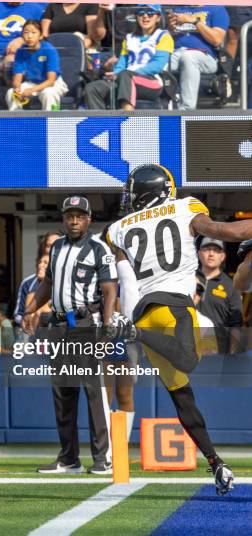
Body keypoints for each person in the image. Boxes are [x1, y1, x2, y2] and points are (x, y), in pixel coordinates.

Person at [105, 163, 252, 495]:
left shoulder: (119, 229)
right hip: (172, 306)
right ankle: (134, 334)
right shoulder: (186, 208)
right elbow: (232, 233)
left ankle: (216, 463)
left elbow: (125, 275)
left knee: (182, 396)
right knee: (189, 361)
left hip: (145, 313)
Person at [23, 196, 118, 475]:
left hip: (87, 323)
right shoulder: (57, 248)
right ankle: (69, 458)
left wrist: (108, 322)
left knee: (93, 390)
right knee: (63, 393)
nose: (74, 221)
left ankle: (103, 458)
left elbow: (110, 289)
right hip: (59, 325)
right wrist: (30, 310)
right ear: (63, 219)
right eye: (69, 216)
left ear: (89, 220)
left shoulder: (99, 248)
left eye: (79, 216)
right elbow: (48, 283)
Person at [84, 5, 174, 110]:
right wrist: (116, 74)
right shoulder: (129, 38)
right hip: (126, 79)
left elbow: (157, 66)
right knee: (93, 88)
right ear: (136, 17)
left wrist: (130, 73)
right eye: (141, 13)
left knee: (126, 75)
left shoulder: (164, 37)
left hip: (152, 82)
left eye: (150, 13)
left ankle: (127, 117)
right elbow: (122, 63)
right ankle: (101, 123)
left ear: (158, 17)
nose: (145, 16)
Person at [167, 5, 229, 110]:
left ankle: (187, 110)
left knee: (188, 57)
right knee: (160, 59)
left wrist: (194, 21)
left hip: (206, 57)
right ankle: (161, 106)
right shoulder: (177, 9)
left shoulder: (216, 9)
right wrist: (170, 29)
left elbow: (217, 40)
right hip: (176, 53)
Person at [6, 19, 68, 111]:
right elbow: (17, 76)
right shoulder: (20, 51)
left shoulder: (49, 50)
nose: (29, 36)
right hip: (32, 83)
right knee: (11, 93)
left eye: (33, 32)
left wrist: (32, 90)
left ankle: (50, 123)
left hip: (53, 84)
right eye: (26, 32)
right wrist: (17, 88)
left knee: (48, 93)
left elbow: (51, 80)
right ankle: (17, 122)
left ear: (41, 35)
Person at [196, 237, 243, 355]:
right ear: (198, 253)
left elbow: (236, 323)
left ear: (223, 256)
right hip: (186, 349)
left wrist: (233, 352)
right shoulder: (187, 279)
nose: (211, 254)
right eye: (206, 249)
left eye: (216, 250)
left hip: (217, 351)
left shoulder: (231, 286)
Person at [0, 1, 44, 80]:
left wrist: (23, 40)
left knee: (11, 63)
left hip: (22, 57)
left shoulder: (35, 9)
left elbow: (42, 36)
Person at [41, 2, 106, 49]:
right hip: (55, 49)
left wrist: (73, 49)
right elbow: (45, 36)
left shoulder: (91, 4)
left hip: (81, 50)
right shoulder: (52, 5)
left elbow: (91, 38)